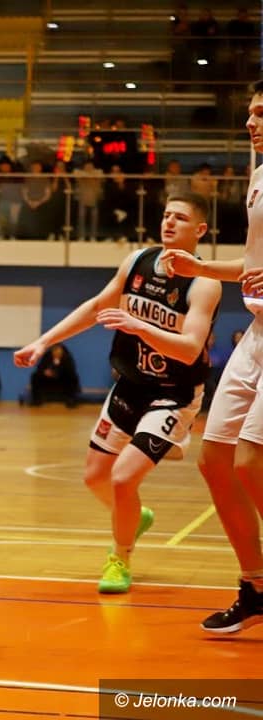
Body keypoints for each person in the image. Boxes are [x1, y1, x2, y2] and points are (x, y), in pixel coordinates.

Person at [15, 193, 221, 594]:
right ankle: (133, 517)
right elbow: (96, 307)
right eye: (166, 214)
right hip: (130, 386)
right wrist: (42, 342)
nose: (169, 222)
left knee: (123, 479)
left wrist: (139, 325)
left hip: (173, 394)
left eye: (180, 218)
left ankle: (119, 558)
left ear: (199, 230)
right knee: (95, 478)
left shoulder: (204, 283)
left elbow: (189, 348)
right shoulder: (137, 262)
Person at [159, 80, 263, 633]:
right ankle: (256, 586)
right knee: (215, 459)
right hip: (257, 333)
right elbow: (253, 265)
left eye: (261, 113)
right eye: (250, 113)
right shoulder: (258, 176)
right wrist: (201, 268)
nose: (251, 123)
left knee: (252, 463)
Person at [29, 342, 81, 407]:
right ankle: (36, 400)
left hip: (63, 381)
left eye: (58, 350)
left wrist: (57, 371)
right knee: (35, 376)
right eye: (54, 350)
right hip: (48, 381)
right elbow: (40, 368)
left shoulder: (67, 357)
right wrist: (45, 372)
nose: (56, 352)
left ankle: (71, 400)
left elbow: (71, 370)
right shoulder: (47, 356)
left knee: (73, 377)